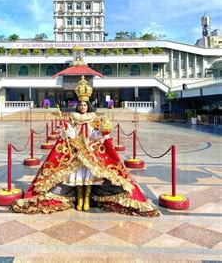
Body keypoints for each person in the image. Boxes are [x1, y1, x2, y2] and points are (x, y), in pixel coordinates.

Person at [12, 76, 159, 217]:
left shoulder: (94, 118)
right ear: (78, 105)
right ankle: (79, 198)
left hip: (90, 150)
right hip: (75, 150)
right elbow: (70, 134)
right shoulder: (73, 117)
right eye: (80, 104)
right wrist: (66, 129)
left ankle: (87, 198)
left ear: (88, 105)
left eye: (84, 104)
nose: (82, 107)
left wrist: (102, 131)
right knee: (76, 177)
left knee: (89, 177)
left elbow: (96, 134)